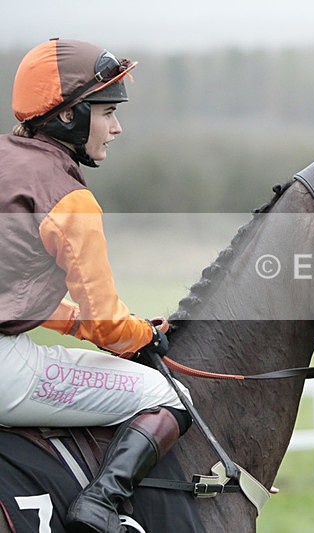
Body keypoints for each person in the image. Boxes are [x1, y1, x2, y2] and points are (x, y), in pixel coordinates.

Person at [0, 38, 193, 532]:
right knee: (167, 395)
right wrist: (142, 336)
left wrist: (119, 329)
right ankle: (99, 507)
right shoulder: (69, 199)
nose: (117, 127)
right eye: (107, 112)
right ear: (68, 116)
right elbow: (109, 324)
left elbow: (25, 302)